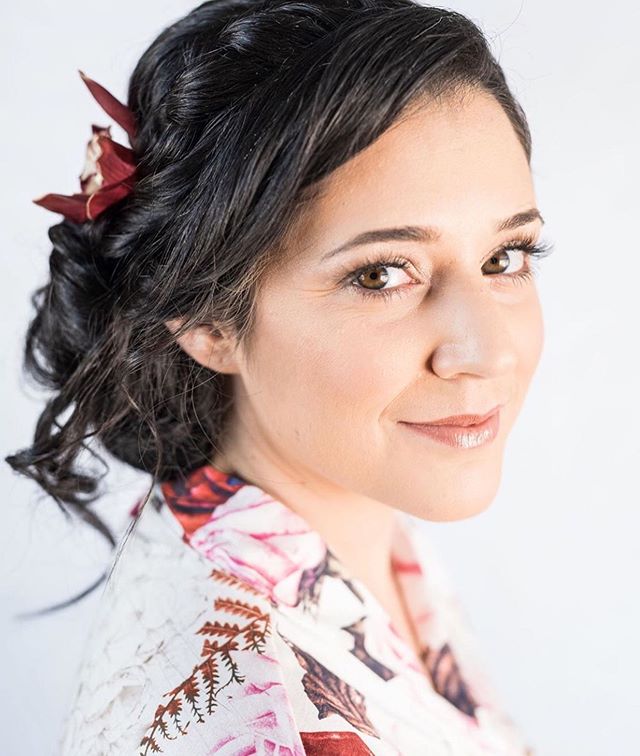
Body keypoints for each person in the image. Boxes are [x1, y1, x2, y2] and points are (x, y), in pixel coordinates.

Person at [6, 0, 554, 753]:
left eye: (507, 258)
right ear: (205, 318)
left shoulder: (355, 523)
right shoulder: (262, 723)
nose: (485, 350)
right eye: (382, 273)